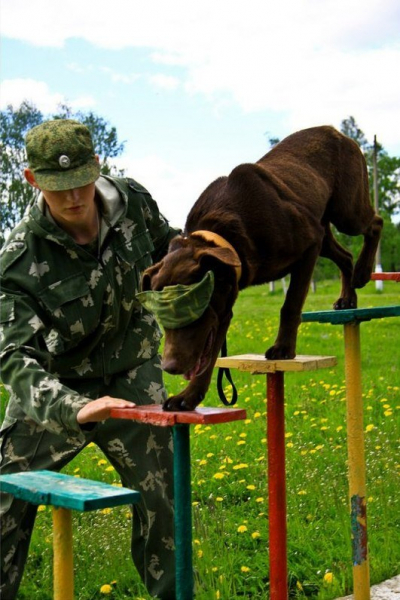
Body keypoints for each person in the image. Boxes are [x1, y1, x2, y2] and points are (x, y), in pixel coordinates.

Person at [0, 119, 181, 599]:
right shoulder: (19, 256)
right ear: (33, 180)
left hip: (133, 370)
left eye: (80, 180)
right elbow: (15, 356)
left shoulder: (134, 203)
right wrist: (69, 409)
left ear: (97, 166)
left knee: (167, 502)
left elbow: (171, 252)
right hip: (58, 387)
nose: (73, 197)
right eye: (58, 187)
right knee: (3, 502)